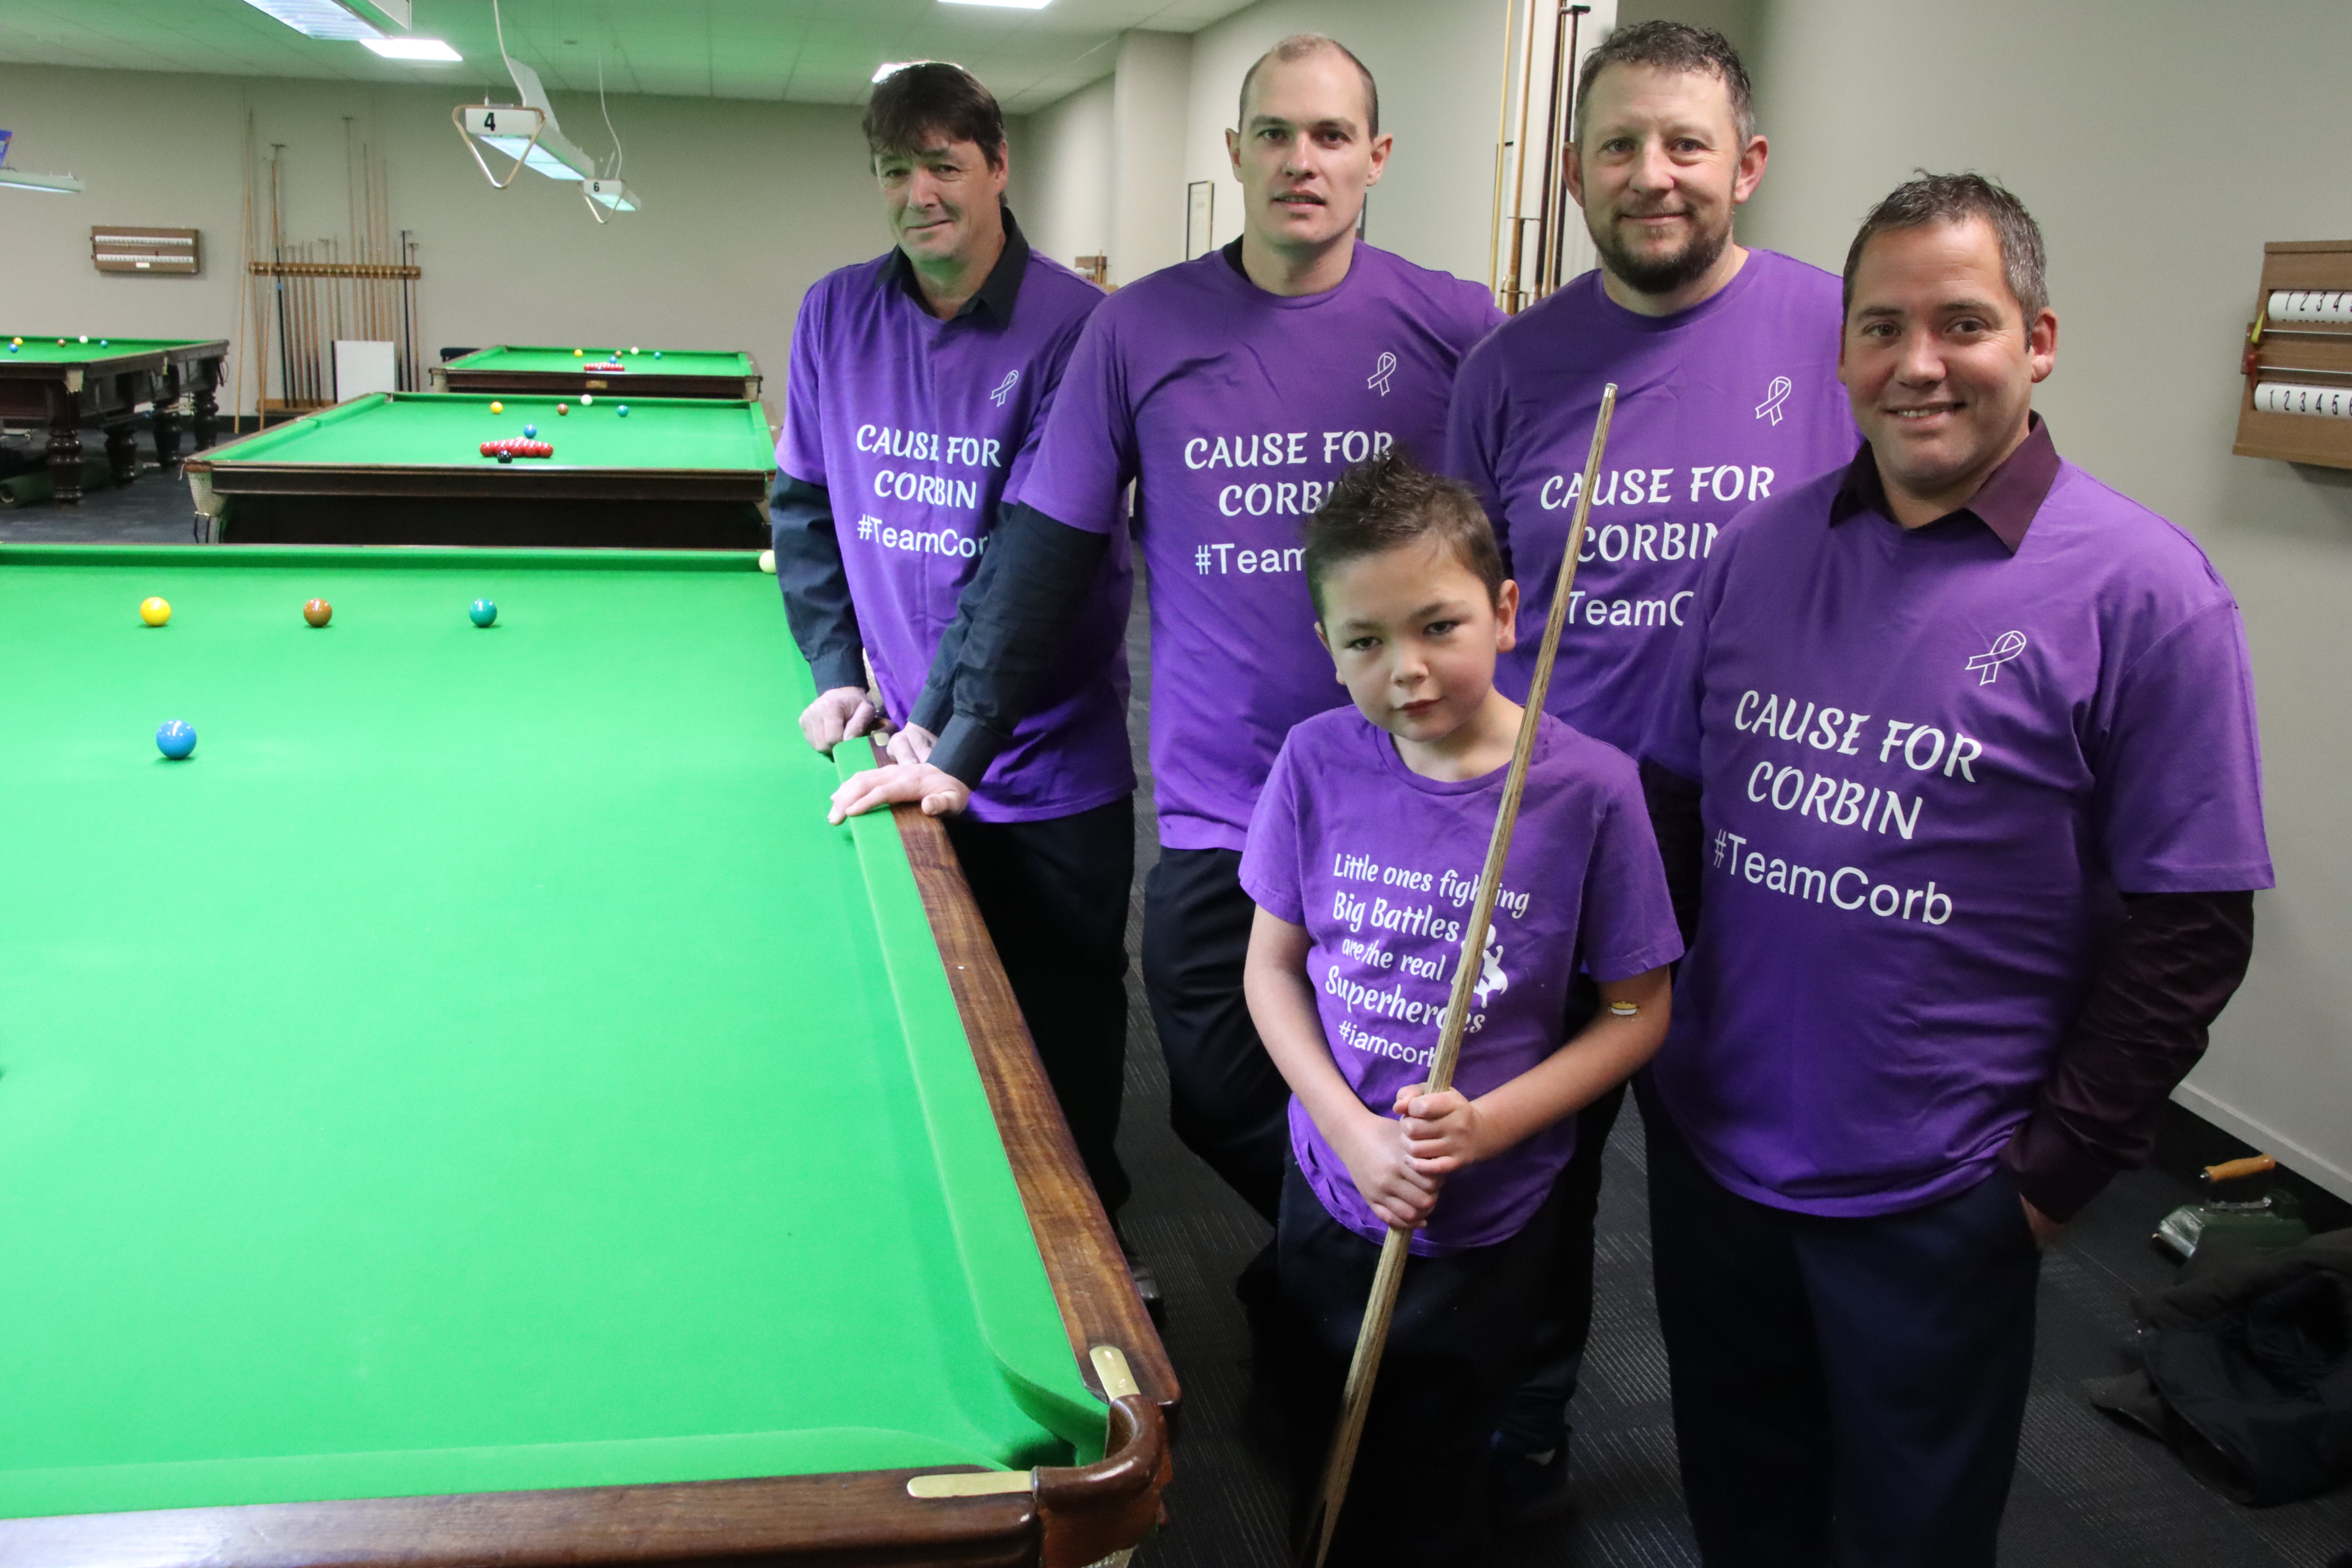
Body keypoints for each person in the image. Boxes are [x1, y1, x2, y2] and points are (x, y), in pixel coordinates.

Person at [1639, 173, 2272, 1567]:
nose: (1918, 364)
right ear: (1844, 349)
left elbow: (2191, 927)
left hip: (1937, 1191)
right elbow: (1675, 808)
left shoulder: (2144, 593)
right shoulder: (1759, 551)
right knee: (1743, 1508)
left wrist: (2045, 1179)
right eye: (1881, 327)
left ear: (2039, 340)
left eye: (1963, 323)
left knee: (1911, 1537)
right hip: (1715, 1155)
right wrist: (1654, 1046)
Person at [830, 34, 1505, 1225]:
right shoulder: (1140, 328)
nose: (1304, 161)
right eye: (1278, 135)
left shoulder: (1458, 328)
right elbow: (1044, 550)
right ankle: (1329, 1255)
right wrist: (951, 742)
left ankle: (1362, 1318)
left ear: (1377, 157)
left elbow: (1527, 549)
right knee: (1211, 1086)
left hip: (1417, 794)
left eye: (1333, 135)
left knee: (1419, 1092)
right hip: (1224, 803)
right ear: (1235, 151)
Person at [1442, 19, 1859, 1507]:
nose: (1653, 174)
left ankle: (1756, 1457)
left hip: (1776, 827)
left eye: (1686, 142)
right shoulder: (1508, 371)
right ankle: (1524, 1419)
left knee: (1735, 1155)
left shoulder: (1842, 332)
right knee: (1539, 1153)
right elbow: (1472, 610)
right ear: (1571, 174)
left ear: (1747, 163)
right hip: (1562, 825)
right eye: (1619, 145)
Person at [1239, 450, 1680, 1566]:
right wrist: (1349, 1129)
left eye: (1440, 626)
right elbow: (1271, 972)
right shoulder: (1315, 763)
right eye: (1366, 642)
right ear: (1330, 650)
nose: (1408, 672)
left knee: (1435, 1459)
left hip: (1487, 1212)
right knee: (1319, 1425)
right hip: (1333, 1182)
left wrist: (1487, 1127)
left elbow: (1640, 1013)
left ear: (1507, 609)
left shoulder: (1587, 788)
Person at [773, 64, 1142, 1249]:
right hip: (905, 746)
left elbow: (1037, 572)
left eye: (943, 164)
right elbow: (805, 509)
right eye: (896, 170)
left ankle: (1096, 1248)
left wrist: (948, 733)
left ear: (995, 166)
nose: (920, 193)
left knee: (1064, 1029)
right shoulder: (834, 314)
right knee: (930, 1025)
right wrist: (839, 666)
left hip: (1046, 766)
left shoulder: (1082, 331)